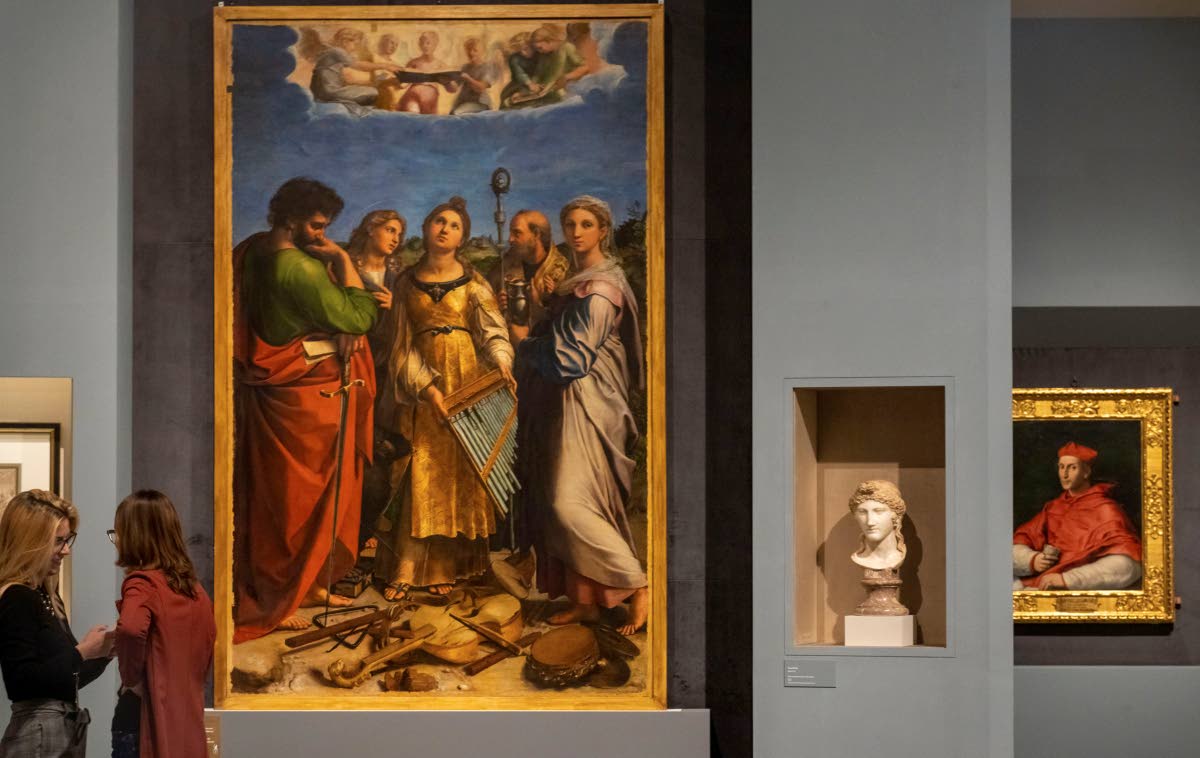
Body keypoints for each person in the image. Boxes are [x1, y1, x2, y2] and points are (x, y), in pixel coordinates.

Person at [232, 177, 379, 641]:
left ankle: (309, 586)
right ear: (290, 219)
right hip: (303, 399)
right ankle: (280, 598)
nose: (321, 235)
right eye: (316, 226)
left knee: (285, 502)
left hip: (277, 394)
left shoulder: (253, 249)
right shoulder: (297, 267)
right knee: (294, 506)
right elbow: (361, 315)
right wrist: (342, 261)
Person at [508, 195, 648, 635]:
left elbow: (569, 359)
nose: (576, 232)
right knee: (567, 502)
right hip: (568, 402)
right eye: (569, 223)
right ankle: (586, 602)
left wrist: (524, 342)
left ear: (603, 230)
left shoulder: (602, 289)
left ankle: (636, 583)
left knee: (568, 504)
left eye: (586, 224)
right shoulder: (580, 282)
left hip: (590, 404)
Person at [374, 197, 515, 601]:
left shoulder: (473, 282)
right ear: (426, 227)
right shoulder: (405, 283)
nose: (444, 229)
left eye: (454, 225)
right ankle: (409, 567)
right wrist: (429, 389)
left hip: (468, 386)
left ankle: (450, 566)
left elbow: (492, 330)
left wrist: (503, 362)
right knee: (421, 473)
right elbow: (400, 347)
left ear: (462, 237)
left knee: (460, 473)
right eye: (439, 221)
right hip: (423, 389)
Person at [0, 490, 113, 757]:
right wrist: (83, 651)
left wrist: (103, 652)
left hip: (55, 734)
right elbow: (21, 682)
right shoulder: (17, 596)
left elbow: (63, 680)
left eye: (68, 539)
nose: (66, 550)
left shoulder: (45, 596)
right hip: (38, 739)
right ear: (31, 542)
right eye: (58, 541)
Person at [110, 490, 216, 758]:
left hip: (144, 718)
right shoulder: (195, 591)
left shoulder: (142, 584)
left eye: (118, 533)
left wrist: (131, 678)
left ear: (134, 536)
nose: (117, 541)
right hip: (184, 718)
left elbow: (130, 629)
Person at [346, 209, 408, 551]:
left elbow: (415, 320)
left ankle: (366, 532)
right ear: (370, 229)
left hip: (386, 377)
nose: (395, 238)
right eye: (389, 229)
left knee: (383, 456)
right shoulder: (346, 269)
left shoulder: (398, 277)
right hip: (352, 370)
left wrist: (396, 306)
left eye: (399, 232)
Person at [1013, 442, 1142, 590]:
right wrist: (1033, 560)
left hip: (1072, 588)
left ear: (1086, 472)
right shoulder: (1053, 507)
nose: (1065, 474)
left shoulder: (1106, 509)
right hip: (1037, 582)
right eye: (1061, 467)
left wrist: (1068, 579)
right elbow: (1019, 542)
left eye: (1072, 468)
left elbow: (1128, 564)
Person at [486, 209, 572, 331]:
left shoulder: (562, 271)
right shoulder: (503, 266)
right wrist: (496, 306)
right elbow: (484, 308)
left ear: (536, 234)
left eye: (517, 233)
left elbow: (566, 324)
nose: (510, 239)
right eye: (510, 233)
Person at [309, 28, 403, 112]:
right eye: (355, 44)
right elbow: (357, 65)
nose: (354, 48)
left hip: (323, 91)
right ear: (345, 41)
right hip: (329, 92)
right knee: (374, 92)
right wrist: (385, 66)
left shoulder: (331, 52)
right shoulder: (337, 51)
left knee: (370, 93)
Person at [502, 25, 586, 109]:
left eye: (540, 48)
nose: (538, 51)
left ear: (550, 41)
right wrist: (526, 92)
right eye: (536, 49)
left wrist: (567, 77)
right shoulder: (543, 55)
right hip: (547, 90)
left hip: (565, 88)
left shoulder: (567, 48)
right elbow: (538, 73)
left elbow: (585, 67)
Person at [848, 480, 907, 570]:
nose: (870, 522)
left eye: (878, 511)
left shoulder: (898, 558)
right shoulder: (859, 559)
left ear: (896, 515)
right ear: (855, 516)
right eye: (862, 512)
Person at [396, 31, 459, 115]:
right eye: (422, 43)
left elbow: (453, 89)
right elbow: (402, 84)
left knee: (426, 119)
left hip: (430, 100)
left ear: (435, 45)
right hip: (412, 96)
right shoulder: (413, 62)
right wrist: (405, 77)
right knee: (412, 116)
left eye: (428, 43)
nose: (425, 46)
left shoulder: (440, 65)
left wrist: (447, 82)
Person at [451, 38, 498, 115]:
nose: (471, 53)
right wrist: (448, 80)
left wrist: (468, 78)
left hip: (480, 103)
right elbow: (454, 88)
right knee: (452, 114)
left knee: (457, 113)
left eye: (475, 50)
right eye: (468, 50)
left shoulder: (487, 68)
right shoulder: (465, 67)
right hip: (463, 102)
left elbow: (481, 87)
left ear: (482, 52)